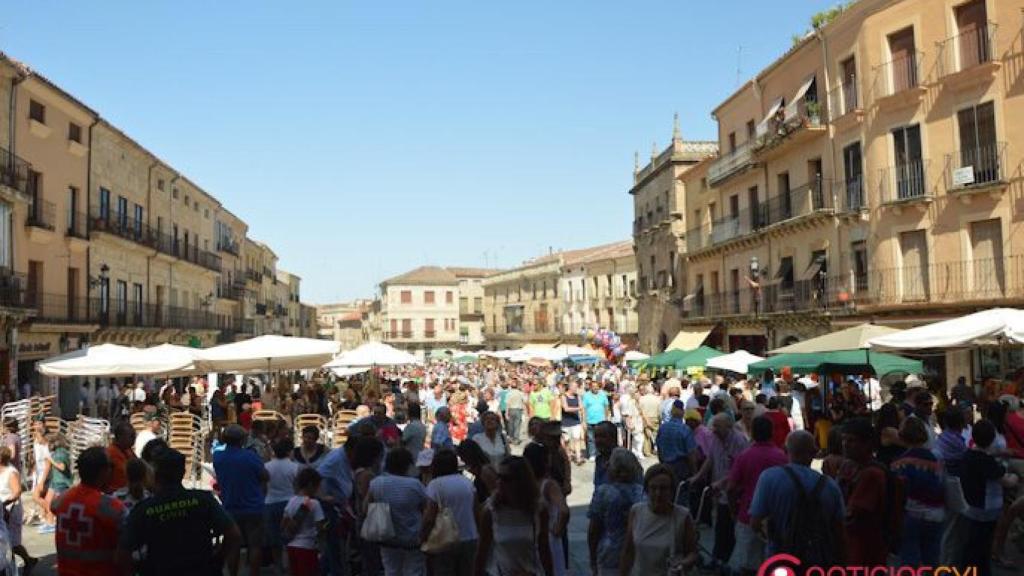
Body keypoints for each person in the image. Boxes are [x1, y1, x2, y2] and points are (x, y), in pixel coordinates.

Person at [118, 449, 241, 576]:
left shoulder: (143, 510)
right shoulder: (203, 500)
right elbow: (234, 535)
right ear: (183, 472)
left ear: (156, 475)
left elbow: (122, 554)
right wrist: (217, 561)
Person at [475, 456, 553, 576]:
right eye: (498, 477)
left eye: (506, 478)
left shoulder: (538, 510)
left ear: (520, 481)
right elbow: (482, 552)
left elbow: (544, 549)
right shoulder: (491, 511)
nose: (499, 482)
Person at [53, 447, 125, 576]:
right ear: (103, 471)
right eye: (111, 466)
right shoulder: (111, 507)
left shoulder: (63, 499)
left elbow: (53, 507)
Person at [689, 412, 749, 567]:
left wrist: (722, 483)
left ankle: (724, 559)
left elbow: (739, 469)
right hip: (720, 488)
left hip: (734, 491)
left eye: (718, 426)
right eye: (714, 426)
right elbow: (710, 459)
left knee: (727, 525)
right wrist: (698, 476)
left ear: (729, 427)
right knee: (721, 525)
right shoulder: (716, 439)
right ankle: (720, 557)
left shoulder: (739, 440)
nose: (714, 429)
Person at [619, 463, 699, 576]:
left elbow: (693, 553)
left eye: (664, 488)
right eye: (653, 488)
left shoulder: (683, 516)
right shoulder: (636, 512)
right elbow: (628, 551)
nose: (658, 493)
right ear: (646, 489)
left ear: (672, 491)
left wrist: (683, 564)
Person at [960, 419, 1016, 576]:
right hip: (986, 508)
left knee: (972, 546)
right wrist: (1015, 477)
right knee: (981, 548)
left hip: (970, 505)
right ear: (992, 439)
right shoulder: (986, 462)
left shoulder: (969, 455)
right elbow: (1007, 481)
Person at [213, 425, 269, 576]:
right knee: (255, 545)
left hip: (230, 505)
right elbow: (265, 476)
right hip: (253, 506)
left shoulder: (218, 457)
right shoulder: (250, 456)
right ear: (242, 440)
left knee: (233, 545)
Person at [891, 416, 944, 567]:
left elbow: (899, 493)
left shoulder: (898, 463)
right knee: (933, 558)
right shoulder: (937, 458)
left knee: (909, 558)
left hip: (911, 513)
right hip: (936, 513)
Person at [366, 447, 427, 576]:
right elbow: (426, 509)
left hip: (386, 536)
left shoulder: (376, 483)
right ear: (408, 465)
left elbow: (365, 507)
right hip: (413, 537)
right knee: (413, 571)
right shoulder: (415, 484)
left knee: (391, 571)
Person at [839, 417, 889, 567]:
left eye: (851, 440)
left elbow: (853, 515)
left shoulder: (871, 474)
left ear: (867, 444)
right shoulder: (851, 467)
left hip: (865, 550)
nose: (845, 445)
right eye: (844, 440)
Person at [421, 449, 479, 576]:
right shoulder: (468, 482)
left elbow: (430, 516)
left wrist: (423, 536)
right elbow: (475, 510)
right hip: (470, 536)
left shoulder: (435, 485)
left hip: (444, 539)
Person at [588, 448, 643, 576]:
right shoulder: (642, 492)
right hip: (638, 550)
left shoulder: (603, 493)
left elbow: (594, 529)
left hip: (610, 550)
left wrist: (592, 558)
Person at [524, 444, 569, 576]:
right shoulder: (549, 485)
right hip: (549, 538)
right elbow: (564, 510)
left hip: (530, 536)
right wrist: (558, 530)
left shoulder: (526, 485)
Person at [283, 468, 327, 576]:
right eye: (317, 486)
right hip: (307, 547)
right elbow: (320, 527)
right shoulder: (314, 503)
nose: (318, 489)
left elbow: (283, 524)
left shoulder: (291, 501)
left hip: (292, 546)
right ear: (311, 484)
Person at [0, 447, 37, 574]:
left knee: (12, 542)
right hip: (1, 510)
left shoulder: (11, 472)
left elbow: (17, 492)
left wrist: (4, 504)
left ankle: (27, 560)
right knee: (5, 542)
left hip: (11, 510)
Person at [265, 438, 299, 574]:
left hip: (270, 503)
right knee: (292, 536)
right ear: (289, 452)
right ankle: (291, 565)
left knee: (274, 537)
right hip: (290, 503)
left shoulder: (266, 466)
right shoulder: (295, 467)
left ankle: (278, 565)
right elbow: (297, 487)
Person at [655, 400, 698, 501]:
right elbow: (691, 454)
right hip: (681, 467)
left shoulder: (663, 428)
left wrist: (662, 462)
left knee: (668, 494)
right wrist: (694, 473)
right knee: (681, 496)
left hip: (666, 465)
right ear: (682, 413)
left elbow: (659, 447)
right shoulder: (685, 429)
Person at [457, 440, 498, 504]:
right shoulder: (475, 469)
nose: (462, 459)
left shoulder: (485, 470)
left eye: (462, 456)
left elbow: (495, 494)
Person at [105, 422, 137, 494]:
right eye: (131, 436)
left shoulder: (129, 450)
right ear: (120, 437)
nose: (134, 439)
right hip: (115, 494)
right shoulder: (109, 453)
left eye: (134, 436)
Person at [582, 380, 610, 460]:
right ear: (590, 387)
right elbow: (584, 409)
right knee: (591, 439)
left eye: (596, 386)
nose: (595, 388)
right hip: (590, 420)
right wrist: (584, 421)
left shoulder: (603, 394)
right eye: (593, 386)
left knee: (601, 438)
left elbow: (606, 407)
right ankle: (592, 454)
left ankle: (600, 453)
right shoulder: (586, 395)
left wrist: (607, 418)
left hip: (601, 420)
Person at [560, 380, 584, 463]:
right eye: (574, 387)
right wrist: (577, 408)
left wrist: (582, 419)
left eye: (576, 387)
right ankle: (568, 455)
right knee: (567, 441)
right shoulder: (563, 396)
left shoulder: (578, 396)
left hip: (576, 421)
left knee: (577, 439)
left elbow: (582, 406)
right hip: (566, 422)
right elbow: (566, 409)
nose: (576, 389)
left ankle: (578, 457)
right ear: (570, 387)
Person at [638, 384, 662, 457]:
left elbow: (640, 410)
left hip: (645, 418)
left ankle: (647, 452)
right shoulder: (658, 399)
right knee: (655, 434)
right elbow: (659, 410)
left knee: (646, 436)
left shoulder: (641, 399)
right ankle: (655, 449)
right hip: (655, 417)